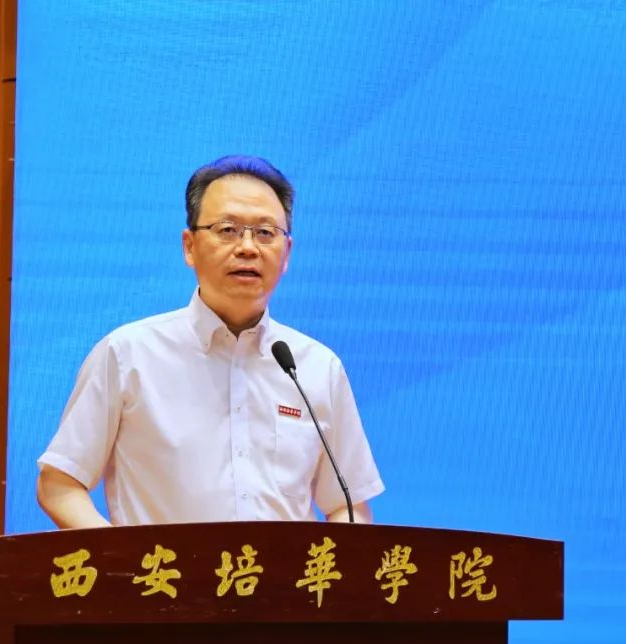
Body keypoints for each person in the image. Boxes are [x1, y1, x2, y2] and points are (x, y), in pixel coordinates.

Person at [36, 155, 384, 527]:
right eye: (228, 229)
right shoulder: (127, 355)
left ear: (286, 254)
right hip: (164, 567)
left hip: (284, 569)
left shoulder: (317, 367)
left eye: (265, 233)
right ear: (190, 246)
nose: (248, 247)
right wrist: (122, 558)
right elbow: (59, 484)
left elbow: (348, 506)